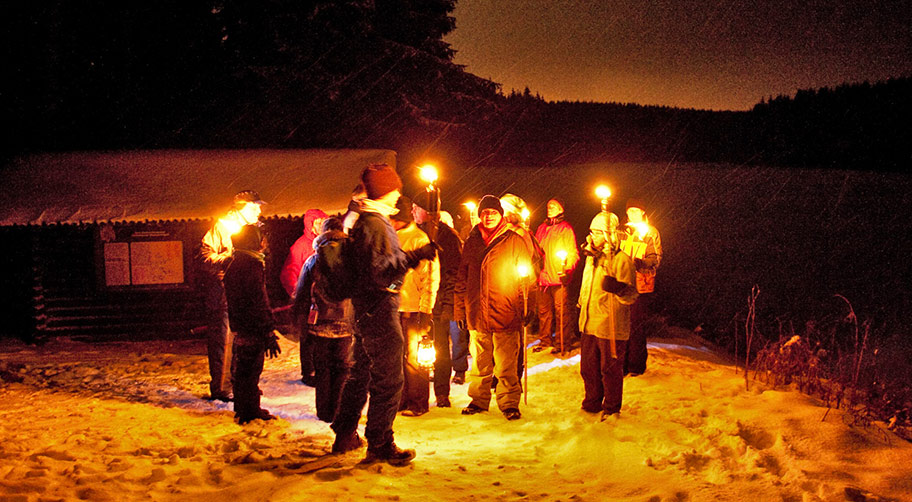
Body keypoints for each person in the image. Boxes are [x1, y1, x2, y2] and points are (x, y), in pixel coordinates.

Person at [330, 163, 436, 466]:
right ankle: (379, 442)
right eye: (395, 188)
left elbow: (378, 263)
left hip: (365, 308)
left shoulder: (368, 220)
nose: (398, 194)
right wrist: (415, 256)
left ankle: (345, 432)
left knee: (361, 372)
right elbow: (379, 272)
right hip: (379, 308)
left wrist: (408, 257)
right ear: (385, 191)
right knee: (388, 378)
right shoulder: (375, 223)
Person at [455, 195, 534, 421]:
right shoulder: (472, 242)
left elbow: (526, 279)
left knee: (506, 363)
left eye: (493, 212)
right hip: (477, 312)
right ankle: (478, 400)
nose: (488, 216)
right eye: (485, 213)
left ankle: (509, 402)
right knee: (480, 363)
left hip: (505, 310)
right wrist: (460, 310)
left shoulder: (513, 240)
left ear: (500, 215)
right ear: (480, 216)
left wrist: (528, 306)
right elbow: (462, 278)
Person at [198, 189, 265, 402]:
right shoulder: (223, 226)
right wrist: (230, 260)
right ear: (242, 207)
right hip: (224, 292)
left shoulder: (253, 227)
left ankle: (240, 384)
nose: (259, 210)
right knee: (224, 341)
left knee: (242, 340)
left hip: (244, 289)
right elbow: (204, 257)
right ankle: (221, 387)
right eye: (254, 206)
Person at [577, 211, 639, 420]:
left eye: (597, 232)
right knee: (588, 367)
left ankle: (611, 407)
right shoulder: (591, 259)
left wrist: (619, 288)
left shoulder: (621, 260)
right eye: (591, 231)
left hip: (610, 324)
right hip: (589, 321)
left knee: (610, 369)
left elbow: (631, 295)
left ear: (608, 234)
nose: (592, 236)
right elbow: (587, 287)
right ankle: (592, 402)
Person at [293, 217, 354, 423]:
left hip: (319, 323)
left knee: (323, 368)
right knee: (342, 368)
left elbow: (301, 292)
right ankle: (337, 409)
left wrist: (301, 321)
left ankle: (323, 411)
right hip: (346, 324)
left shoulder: (314, 259)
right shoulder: (352, 258)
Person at [223, 224, 283, 424]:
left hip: (241, 323)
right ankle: (249, 411)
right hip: (252, 325)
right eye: (261, 238)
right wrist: (267, 330)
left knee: (244, 368)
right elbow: (258, 299)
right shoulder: (251, 265)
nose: (264, 243)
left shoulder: (235, 262)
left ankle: (244, 408)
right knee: (250, 368)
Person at [412, 192, 465, 406]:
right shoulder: (414, 234)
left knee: (441, 348)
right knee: (418, 351)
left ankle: (442, 392)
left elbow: (454, 272)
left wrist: (445, 303)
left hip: (440, 303)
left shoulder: (447, 237)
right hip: (416, 303)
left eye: (417, 208)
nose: (413, 211)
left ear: (428, 211)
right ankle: (417, 394)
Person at [391, 195, 439, 417]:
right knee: (395, 358)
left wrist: (425, 309)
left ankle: (418, 401)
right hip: (393, 308)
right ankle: (400, 399)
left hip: (414, 309)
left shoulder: (419, 239)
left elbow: (429, 278)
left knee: (414, 358)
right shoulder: (390, 238)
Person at [280, 208, 328, 386]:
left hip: (320, 300)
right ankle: (309, 372)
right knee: (307, 337)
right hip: (305, 300)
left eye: (324, 222)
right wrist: (296, 292)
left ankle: (319, 368)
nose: (321, 225)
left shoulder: (324, 244)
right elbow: (288, 272)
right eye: (318, 222)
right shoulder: (300, 246)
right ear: (310, 224)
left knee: (319, 336)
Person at [620, 198, 663, 376]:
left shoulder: (650, 232)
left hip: (640, 285)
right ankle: (621, 364)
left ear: (643, 212)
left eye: (637, 210)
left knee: (636, 326)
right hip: (622, 283)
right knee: (621, 326)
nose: (633, 213)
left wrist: (642, 263)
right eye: (630, 210)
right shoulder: (621, 231)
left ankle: (636, 366)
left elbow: (656, 258)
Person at [534, 198, 580, 354]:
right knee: (543, 312)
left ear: (561, 208)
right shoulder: (541, 228)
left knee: (562, 312)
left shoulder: (565, 229)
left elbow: (573, 252)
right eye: (548, 206)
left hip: (559, 277)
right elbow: (535, 251)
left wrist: (567, 270)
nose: (550, 208)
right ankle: (545, 340)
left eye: (554, 205)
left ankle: (562, 342)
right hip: (542, 277)